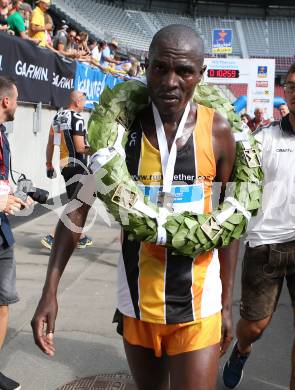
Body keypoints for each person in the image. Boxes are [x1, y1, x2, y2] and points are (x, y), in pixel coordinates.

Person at [31, 25, 239, 390]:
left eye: (184, 71)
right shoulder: (120, 133)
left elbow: (230, 222)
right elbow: (79, 206)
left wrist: (227, 302)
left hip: (199, 309)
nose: (170, 81)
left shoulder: (218, 131)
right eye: (160, 67)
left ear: (200, 75)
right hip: (136, 304)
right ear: (146, 67)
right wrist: (50, 290)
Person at [222, 63, 295, 389]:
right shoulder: (264, 138)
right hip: (265, 243)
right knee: (255, 325)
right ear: (286, 93)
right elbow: (236, 182)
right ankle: (242, 349)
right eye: (292, 86)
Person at [0, 76, 31, 390]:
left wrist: (16, 196)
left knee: (2, 302)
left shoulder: (3, 135)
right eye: (17, 99)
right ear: (5, 101)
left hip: (2, 231)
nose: (18, 105)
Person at [41, 90, 93, 251]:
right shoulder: (77, 119)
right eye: (84, 101)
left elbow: (51, 144)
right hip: (78, 165)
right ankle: (53, 237)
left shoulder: (57, 117)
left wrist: (49, 164)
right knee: (76, 204)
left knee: (77, 202)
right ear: (77, 102)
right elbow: (80, 147)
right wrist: (99, 149)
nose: (84, 104)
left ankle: (79, 236)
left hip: (65, 165)